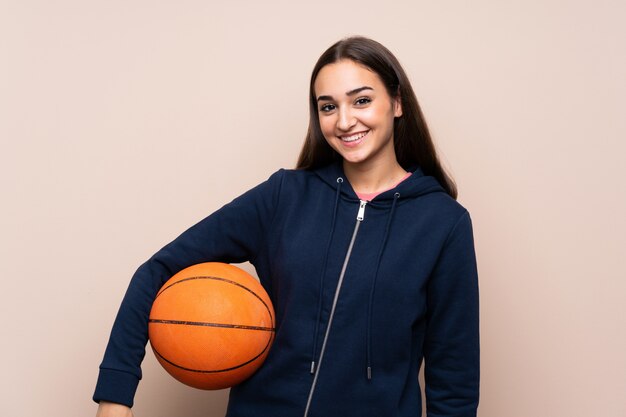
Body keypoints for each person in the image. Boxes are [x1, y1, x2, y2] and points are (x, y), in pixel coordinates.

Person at [94, 36, 480, 417]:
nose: (345, 121)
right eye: (328, 107)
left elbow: (454, 382)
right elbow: (157, 270)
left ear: (397, 103)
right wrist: (115, 396)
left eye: (362, 100)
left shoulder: (443, 224)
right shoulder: (285, 196)